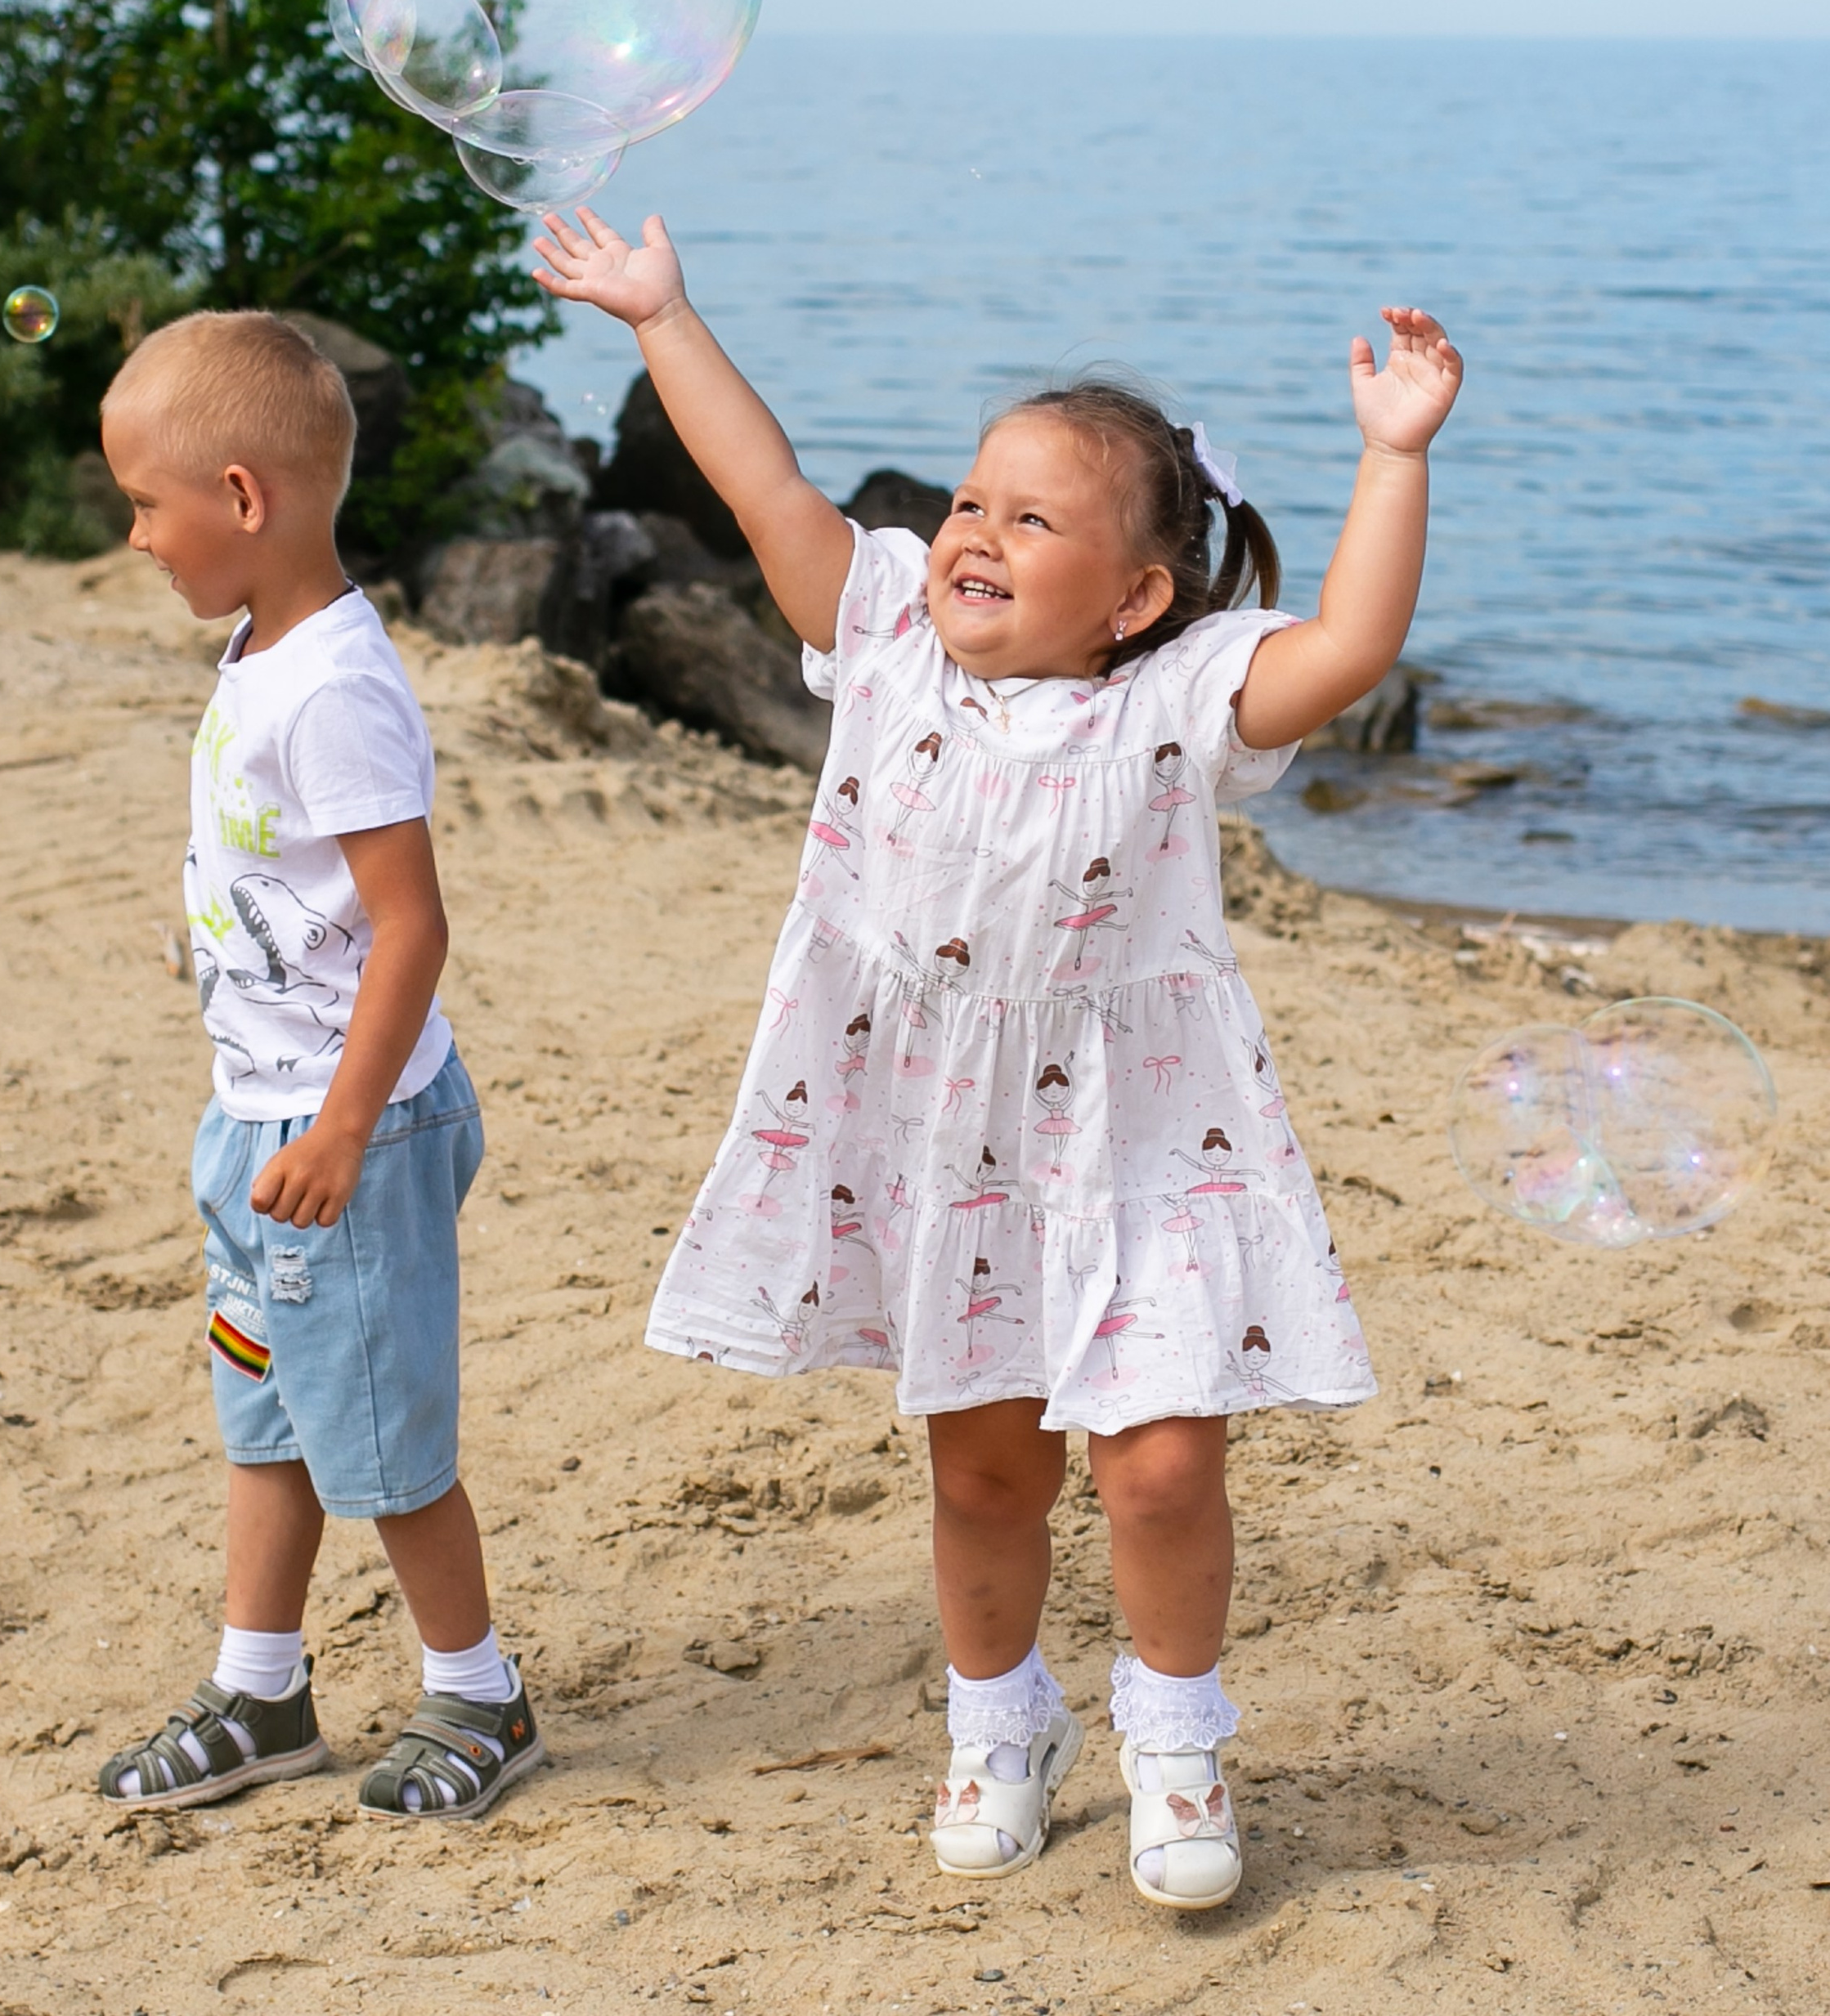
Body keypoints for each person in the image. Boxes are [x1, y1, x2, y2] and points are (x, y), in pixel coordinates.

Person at [533, 207, 1462, 1909]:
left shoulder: (1174, 699)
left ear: (1134, 594)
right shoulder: (881, 636)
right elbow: (767, 494)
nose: (971, 531)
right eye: (969, 498)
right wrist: (660, 316)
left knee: (1164, 1459)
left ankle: (1173, 1741)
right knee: (978, 1463)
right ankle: (998, 1718)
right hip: (936, 1128)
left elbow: (1344, 650)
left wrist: (1390, 457)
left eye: (1029, 519)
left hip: (1142, 1130)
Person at [93, 311, 541, 1823]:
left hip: (351, 1135)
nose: (133, 534)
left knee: (386, 1436)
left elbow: (412, 928)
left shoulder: (337, 682)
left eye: (147, 503)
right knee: (268, 1413)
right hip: (258, 1125)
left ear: (242, 497)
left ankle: (482, 1695)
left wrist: (347, 1126)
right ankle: (262, 1688)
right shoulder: (257, 643)